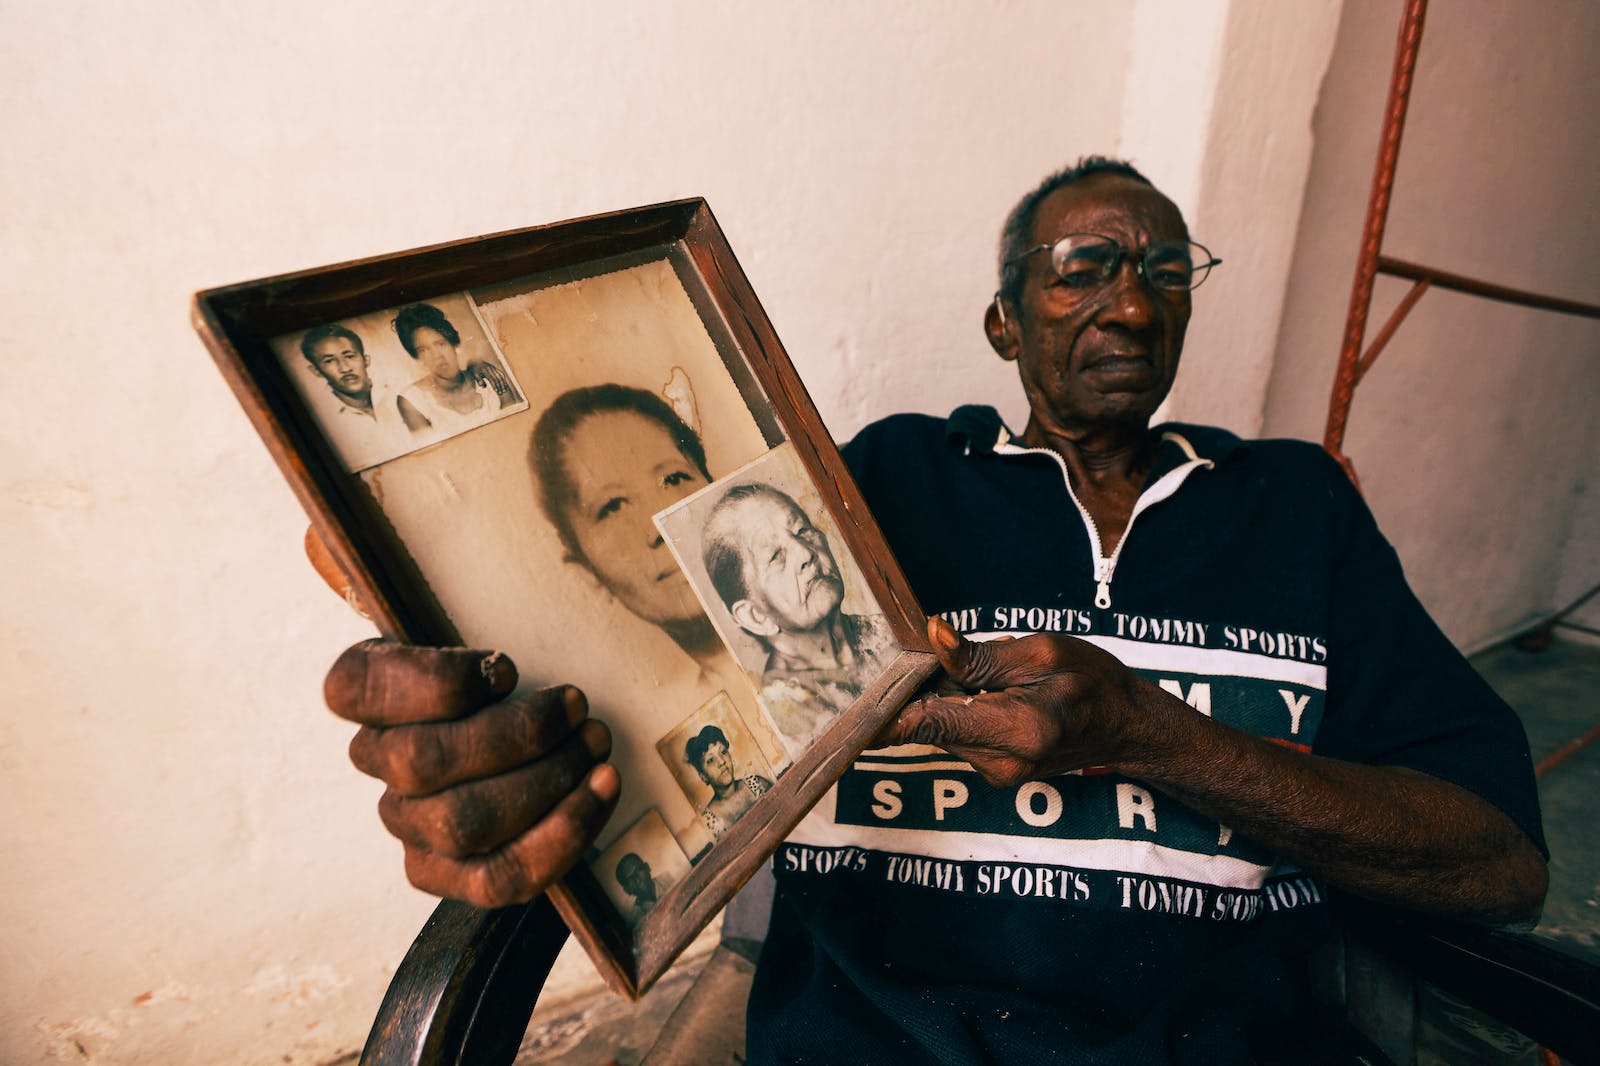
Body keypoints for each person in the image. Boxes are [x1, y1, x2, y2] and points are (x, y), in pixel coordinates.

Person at [322, 157, 1547, 1064]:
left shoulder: (1291, 505)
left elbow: (1497, 859)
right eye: (1084, 270)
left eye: (1164, 272)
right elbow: (633, 656)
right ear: (1002, 322)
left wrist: (1153, 734)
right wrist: (441, 599)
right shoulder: (871, 490)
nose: (1132, 304)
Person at [701, 482, 896, 756]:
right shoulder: (785, 718)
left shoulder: (890, 633)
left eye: (802, 530)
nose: (806, 553)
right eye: (775, 556)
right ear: (756, 616)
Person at [392, 302, 521, 436]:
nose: (437, 356)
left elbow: (517, 428)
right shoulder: (412, 400)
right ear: (417, 357)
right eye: (424, 350)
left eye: (440, 344)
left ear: (454, 343)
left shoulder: (488, 377)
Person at [683, 723, 773, 840]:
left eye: (723, 752)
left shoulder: (757, 784)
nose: (721, 762)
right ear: (703, 777)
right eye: (711, 760)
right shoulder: (710, 821)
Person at [613, 851, 660, 926]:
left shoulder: (670, 878)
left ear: (647, 867)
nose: (637, 880)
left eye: (638, 870)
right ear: (627, 890)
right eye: (630, 880)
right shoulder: (636, 919)